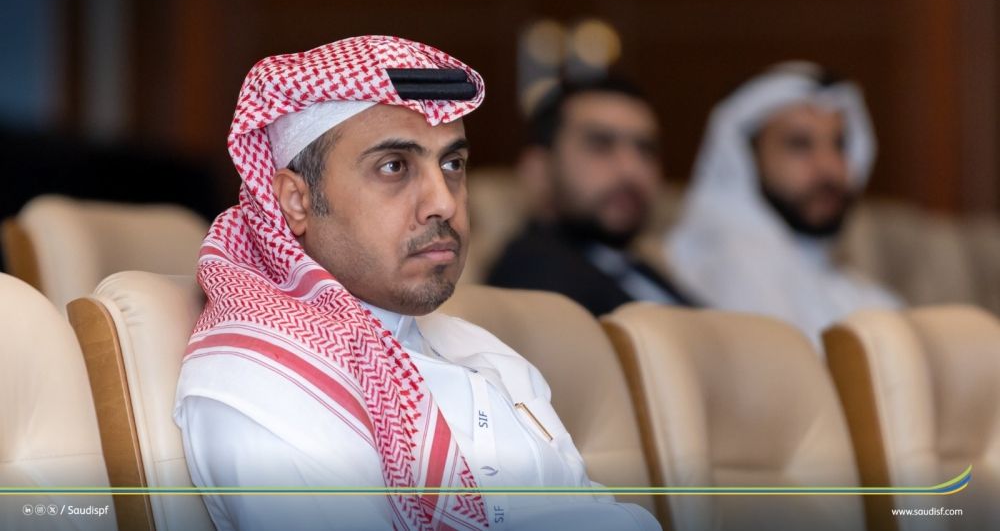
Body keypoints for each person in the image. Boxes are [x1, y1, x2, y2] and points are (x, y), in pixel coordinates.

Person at [173, 36, 659, 531]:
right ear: (296, 201)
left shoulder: (485, 352)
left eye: (452, 165)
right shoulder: (267, 378)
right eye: (394, 167)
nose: (443, 202)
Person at [665, 62, 900, 345]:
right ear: (747, 158)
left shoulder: (840, 278)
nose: (829, 167)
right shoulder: (732, 260)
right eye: (799, 144)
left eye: (839, 144)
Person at [488, 78, 695, 316]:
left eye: (645, 149)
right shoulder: (534, 270)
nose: (631, 169)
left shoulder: (635, 265)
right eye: (600, 144)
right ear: (539, 170)